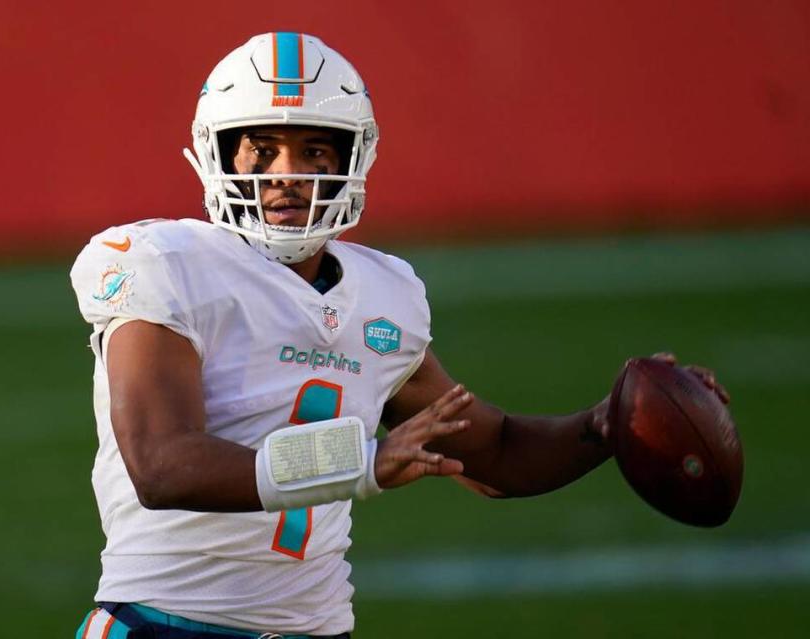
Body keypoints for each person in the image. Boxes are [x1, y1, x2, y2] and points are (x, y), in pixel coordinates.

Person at [70, 32, 728, 639]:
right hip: (162, 624)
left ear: (355, 158)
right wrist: (357, 460)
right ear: (216, 154)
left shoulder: (384, 297)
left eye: (314, 149)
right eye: (260, 149)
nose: (286, 174)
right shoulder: (161, 264)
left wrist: (607, 426)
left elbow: (491, 449)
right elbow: (161, 464)